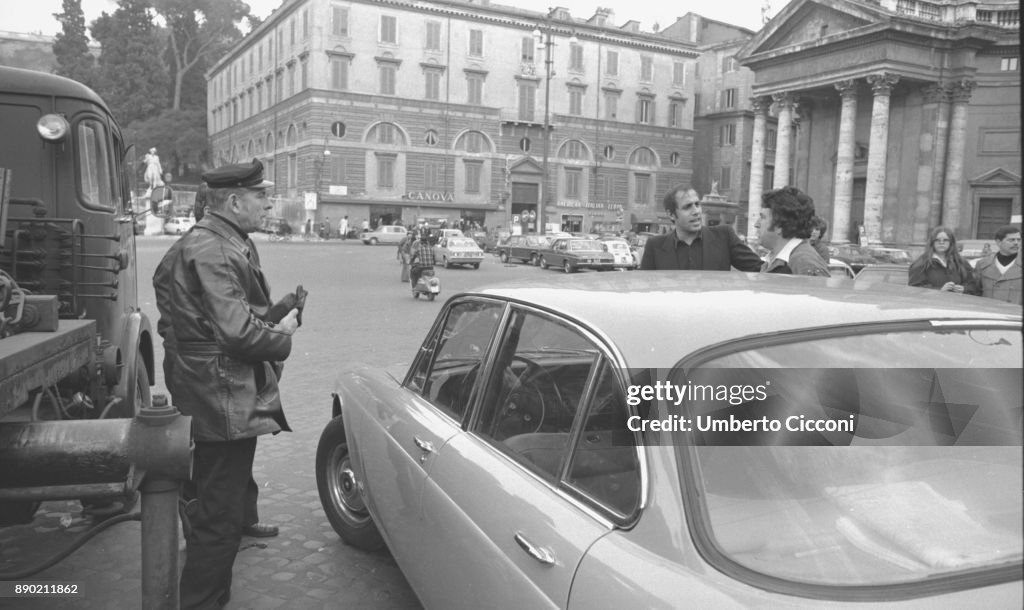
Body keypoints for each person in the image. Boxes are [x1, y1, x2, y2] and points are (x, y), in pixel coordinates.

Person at [157, 158, 301, 609]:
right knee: (219, 519)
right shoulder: (215, 249)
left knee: (215, 505)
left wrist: (273, 313)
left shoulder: (216, 241)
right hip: (221, 400)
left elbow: (205, 323)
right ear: (234, 201)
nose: (268, 202)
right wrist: (283, 334)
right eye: (261, 196)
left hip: (209, 393)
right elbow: (237, 334)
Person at [153, 187, 280, 543]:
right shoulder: (191, 249)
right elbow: (174, 306)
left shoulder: (236, 244)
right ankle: (207, 531)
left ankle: (239, 519)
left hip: (230, 370)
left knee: (238, 449)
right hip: (203, 373)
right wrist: (187, 341)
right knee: (211, 458)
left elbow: (247, 304)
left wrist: (277, 312)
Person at [640, 185, 761, 271]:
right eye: (688, 207)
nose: (696, 211)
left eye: (697, 204)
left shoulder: (724, 236)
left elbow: (760, 268)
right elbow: (645, 289)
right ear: (671, 214)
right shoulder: (655, 246)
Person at [756, 186, 831, 276]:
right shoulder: (775, 259)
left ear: (779, 225)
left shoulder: (804, 263)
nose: (756, 224)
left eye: (762, 217)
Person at [908, 226, 975, 293]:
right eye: (937, 240)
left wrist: (964, 289)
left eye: (945, 240)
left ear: (951, 242)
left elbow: (974, 286)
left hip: (957, 302)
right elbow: (914, 289)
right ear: (932, 242)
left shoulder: (961, 262)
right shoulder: (921, 263)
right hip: (932, 302)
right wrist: (939, 290)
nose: (941, 242)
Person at [971, 225, 1021, 304]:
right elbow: (974, 293)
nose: (1016, 243)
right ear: (998, 242)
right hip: (990, 313)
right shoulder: (982, 265)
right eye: (1011, 240)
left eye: (1018, 240)